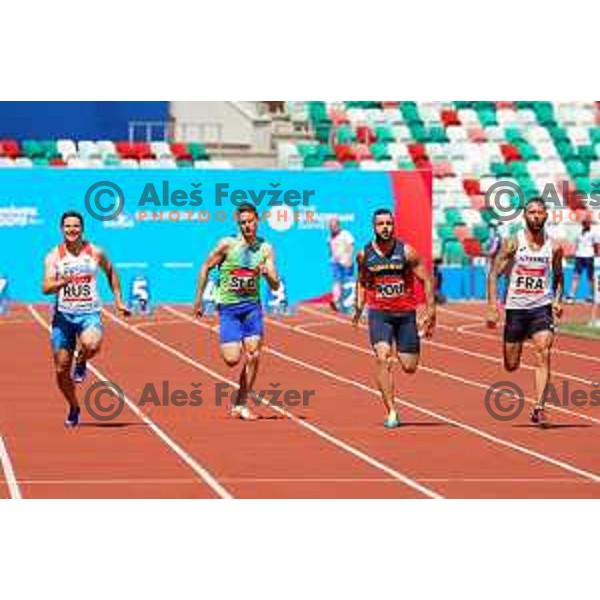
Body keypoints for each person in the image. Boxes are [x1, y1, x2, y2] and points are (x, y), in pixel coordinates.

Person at [192, 203, 280, 420]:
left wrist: (266, 274)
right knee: (232, 359)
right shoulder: (227, 245)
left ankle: (241, 404)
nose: (247, 226)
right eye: (243, 223)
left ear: (257, 221)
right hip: (229, 309)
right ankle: (231, 337)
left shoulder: (265, 248)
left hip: (252, 307)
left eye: (250, 221)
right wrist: (199, 299)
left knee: (253, 354)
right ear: (238, 224)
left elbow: (276, 285)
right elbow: (205, 266)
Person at [42, 211, 130, 428]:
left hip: (88, 313)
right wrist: (62, 282)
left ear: (82, 228)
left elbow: (110, 272)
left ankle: (81, 360)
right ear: (61, 229)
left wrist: (118, 300)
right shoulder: (54, 256)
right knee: (62, 369)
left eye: (76, 226)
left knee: (92, 343)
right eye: (68, 226)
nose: (72, 230)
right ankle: (74, 406)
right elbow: (45, 287)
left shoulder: (95, 252)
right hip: (63, 318)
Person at [352, 208, 436, 428]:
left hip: (405, 314)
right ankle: (391, 411)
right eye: (381, 224)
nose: (385, 228)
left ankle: (402, 348)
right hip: (380, 314)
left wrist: (431, 311)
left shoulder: (406, 252)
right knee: (382, 358)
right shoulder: (364, 254)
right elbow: (362, 280)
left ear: (393, 225)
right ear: (374, 227)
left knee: (409, 367)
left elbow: (426, 280)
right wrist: (359, 305)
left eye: (389, 223)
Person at [486, 198, 564, 425]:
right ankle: (514, 353)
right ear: (525, 216)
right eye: (532, 212)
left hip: (541, 307)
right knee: (511, 365)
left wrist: (558, 300)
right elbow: (493, 274)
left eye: (540, 212)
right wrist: (492, 306)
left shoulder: (555, 247)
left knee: (544, 352)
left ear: (546, 216)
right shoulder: (512, 243)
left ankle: (539, 407)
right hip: (516, 310)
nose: (536, 216)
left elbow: (558, 275)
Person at [565, 215, 600, 304]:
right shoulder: (578, 233)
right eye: (583, 222)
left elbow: (596, 245)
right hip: (579, 256)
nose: (584, 224)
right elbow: (576, 245)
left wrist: (596, 255)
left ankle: (592, 296)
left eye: (586, 222)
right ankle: (571, 296)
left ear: (589, 223)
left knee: (590, 277)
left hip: (589, 256)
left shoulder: (594, 233)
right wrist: (574, 254)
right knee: (576, 276)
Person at [328, 217, 354, 312]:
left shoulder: (346, 234)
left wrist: (348, 258)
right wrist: (332, 258)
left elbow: (351, 246)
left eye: (334, 226)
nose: (332, 228)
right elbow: (329, 247)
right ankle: (336, 301)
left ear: (338, 225)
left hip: (345, 262)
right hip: (335, 263)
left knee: (348, 283)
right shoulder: (330, 236)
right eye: (330, 226)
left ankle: (349, 304)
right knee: (336, 282)